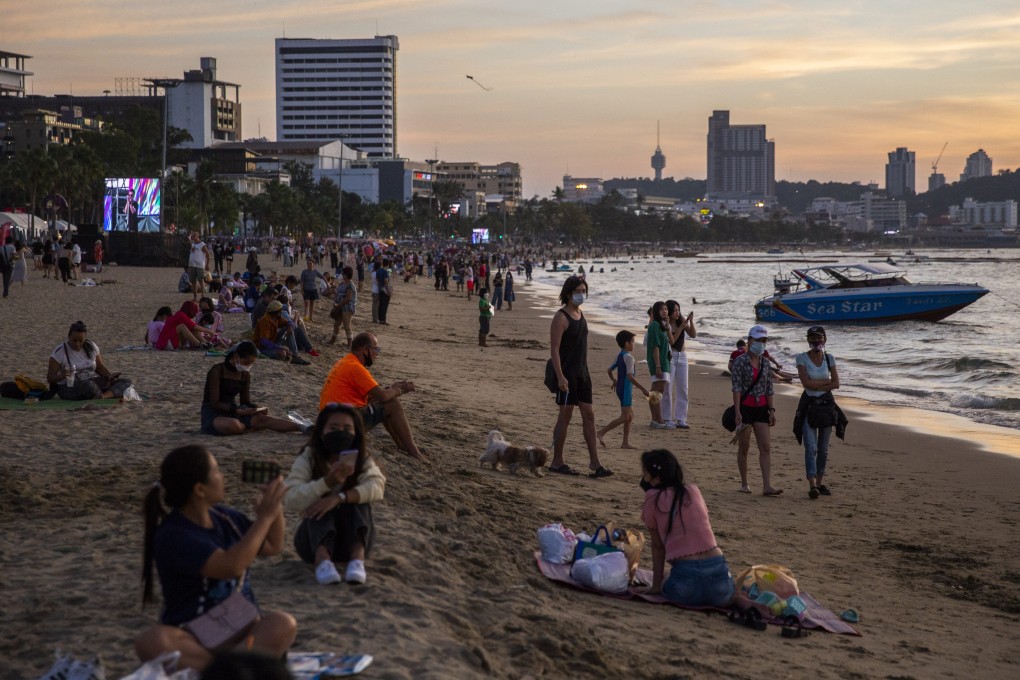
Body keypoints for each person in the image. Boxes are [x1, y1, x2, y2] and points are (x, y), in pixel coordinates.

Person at [134, 445, 296, 671]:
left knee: (282, 623)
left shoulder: (225, 517)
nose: (223, 477)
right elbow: (231, 566)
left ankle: (221, 670)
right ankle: (230, 670)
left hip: (240, 629)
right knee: (153, 641)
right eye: (217, 471)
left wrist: (274, 508)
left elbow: (271, 545)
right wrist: (264, 519)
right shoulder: (174, 535)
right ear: (200, 489)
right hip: (192, 635)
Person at [284, 403, 386, 585]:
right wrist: (326, 483)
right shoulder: (310, 457)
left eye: (347, 428)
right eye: (334, 427)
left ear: (355, 433)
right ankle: (322, 561)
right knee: (318, 503)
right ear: (322, 432)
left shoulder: (361, 458)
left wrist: (339, 497)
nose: (341, 432)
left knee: (357, 499)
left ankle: (357, 561)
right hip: (311, 542)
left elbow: (377, 486)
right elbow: (291, 498)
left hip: (353, 539)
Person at [640, 449, 735, 607]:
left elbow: (658, 547)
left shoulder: (652, 498)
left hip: (686, 582)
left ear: (655, 477)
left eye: (644, 472)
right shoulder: (693, 491)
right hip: (719, 576)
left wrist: (656, 587)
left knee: (666, 578)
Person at [318, 332, 426, 460]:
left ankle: (402, 445)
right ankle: (414, 452)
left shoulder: (345, 361)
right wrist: (400, 389)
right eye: (376, 349)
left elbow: (375, 395)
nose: (377, 354)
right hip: (341, 425)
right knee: (392, 403)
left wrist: (390, 390)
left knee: (385, 399)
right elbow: (384, 397)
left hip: (329, 420)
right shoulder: (356, 368)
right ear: (365, 350)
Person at [548, 276, 612, 478]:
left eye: (584, 291)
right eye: (578, 291)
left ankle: (595, 463)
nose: (582, 294)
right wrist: (560, 376)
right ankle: (557, 462)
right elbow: (554, 350)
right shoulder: (561, 317)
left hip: (583, 374)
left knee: (589, 415)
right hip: (567, 374)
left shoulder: (580, 314)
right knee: (565, 417)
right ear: (568, 293)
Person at [201, 341, 305, 436]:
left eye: (251, 364)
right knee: (233, 425)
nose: (248, 366)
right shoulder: (217, 371)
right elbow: (215, 403)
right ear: (236, 356)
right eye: (246, 363)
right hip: (214, 412)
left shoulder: (245, 374)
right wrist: (238, 411)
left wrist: (255, 409)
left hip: (235, 411)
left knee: (264, 419)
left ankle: (303, 427)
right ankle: (249, 428)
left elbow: (245, 401)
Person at [793, 326, 845, 499]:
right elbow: (806, 384)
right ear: (808, 340)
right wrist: (825, 382)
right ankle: (812, 484)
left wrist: (818, 383)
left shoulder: (830, 359)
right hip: (809, 406)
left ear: (825, 340)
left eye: (819, 338)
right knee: (810, 447)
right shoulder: (801, 358)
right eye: (812, 338)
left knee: (823, 449)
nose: (816, 342)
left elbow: (837, 383)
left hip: (826, 407)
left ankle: (820, 481)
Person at [731, 324, 782, 496]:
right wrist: (737, 412)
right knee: (744, 447)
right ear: (750, 341)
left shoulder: (765, 363)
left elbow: (769, 388)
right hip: (745, 408)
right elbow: (736, 388)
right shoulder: (740, 361)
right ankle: (744, 483)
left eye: (764, 340)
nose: (761, 343)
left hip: (761, 408)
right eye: (759, 340)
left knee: (765, 447)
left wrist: (772, 410)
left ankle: (767, 485)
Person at [47, 320, 133, 400]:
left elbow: (99, 367)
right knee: (89, 386)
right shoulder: (60, 352)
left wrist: (109, 376)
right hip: (69, 386)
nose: (77, 344)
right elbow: (50, 378)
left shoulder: (91, 346)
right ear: (69, 337)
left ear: (85, 338)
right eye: (74, 340)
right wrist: (62, 376)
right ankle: (105, 394)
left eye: (81, 341)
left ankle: (103, 396)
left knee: (127, 382)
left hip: (92, 381)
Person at [596, 330, 649, 449]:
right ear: (627, 343)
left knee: (630, 416)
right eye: (633, 342)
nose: (634, 344)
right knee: (625, 417)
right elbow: (630, 376)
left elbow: (609, 370)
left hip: (620, 388)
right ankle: (601, 433)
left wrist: (614, 381)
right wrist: (643, 389)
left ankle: (625, 443)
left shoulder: (620, 355)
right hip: (625, 390)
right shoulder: (629, 358)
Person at [662, 300, 696, 430]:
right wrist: (681, 328)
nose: (677, 313)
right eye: (675, 310)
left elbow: (693, 334)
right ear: (669, 311)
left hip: (682, 356)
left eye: (678, 310)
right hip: (670, 356)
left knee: (683, 388)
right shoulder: (665, 324)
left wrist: (691, 322)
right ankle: (666, 417)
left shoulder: (680, 320)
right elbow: (672, 342)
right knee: (667, 388)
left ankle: (681, 418)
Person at [251, 301, 310, 365]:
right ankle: (288, 355)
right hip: (262, 348)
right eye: (280, 310)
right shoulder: (264, 321)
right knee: (283, 354)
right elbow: (264, 342)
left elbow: (290, 323)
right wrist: (279, 347)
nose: (282, 311)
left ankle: (295, 356)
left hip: (272, 341)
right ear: (276, 312)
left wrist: (290, 326)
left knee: (289, 330)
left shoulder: (277, 318)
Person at [646, 301, 672, 429]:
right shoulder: (655, 325)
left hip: (664, 361)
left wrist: (667, 324)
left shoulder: (662, 325)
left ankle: (657, 419)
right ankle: (658, 420)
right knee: (656, 390)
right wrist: (657, 365)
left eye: (666, 309)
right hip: (659, 362)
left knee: (658, 390)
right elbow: (655, 347)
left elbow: (670, 342)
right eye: (662, 310)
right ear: (656, 311)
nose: (665, 311)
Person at [330, 266, 357, 348]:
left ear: (347, 274)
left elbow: (348, 298)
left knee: (347, 326)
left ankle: (350, 344)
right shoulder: (342, 283)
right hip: (340, 307)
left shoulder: (350, 285)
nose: (342, 274)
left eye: (343, 273)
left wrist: (338, 304)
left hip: (347, 308)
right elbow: (338, 293)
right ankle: (332, 341)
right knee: (336, 324)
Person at [300, 257, 327, 322]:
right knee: (306, 302)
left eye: (310, 263)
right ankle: (306, 316)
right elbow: (302, 282)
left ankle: (311, 317)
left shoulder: (315, 271)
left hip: (313, 289)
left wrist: (328, 285)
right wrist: (302, 290)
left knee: (312, 304)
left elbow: (323, 277)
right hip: (306, 289)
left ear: (313, 264)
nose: (309, 265)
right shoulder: (304, 272)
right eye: (308, 263)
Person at [188, 231, 211, 300]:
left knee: (201, 281)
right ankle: (195, 297)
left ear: (197, 237)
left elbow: (207, 254)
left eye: (194, 236)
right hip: (192, 265)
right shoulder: (192, 244)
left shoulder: (202, 244)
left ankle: (203, 296)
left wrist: (207, 265)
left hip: (199, 265)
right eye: (192, 236)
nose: (192, 237)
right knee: (193, 281)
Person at [375, 258, 392, 325]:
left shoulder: (378, 270)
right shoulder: (385, 271)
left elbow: (377, 280)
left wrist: (380, 286)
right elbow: (386, 281)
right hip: (384, 289)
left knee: (381, 304)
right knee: (384, 305)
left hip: (380, 289)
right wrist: (388, 291)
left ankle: (380, 319)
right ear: (387, 264)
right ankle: (383, 320)